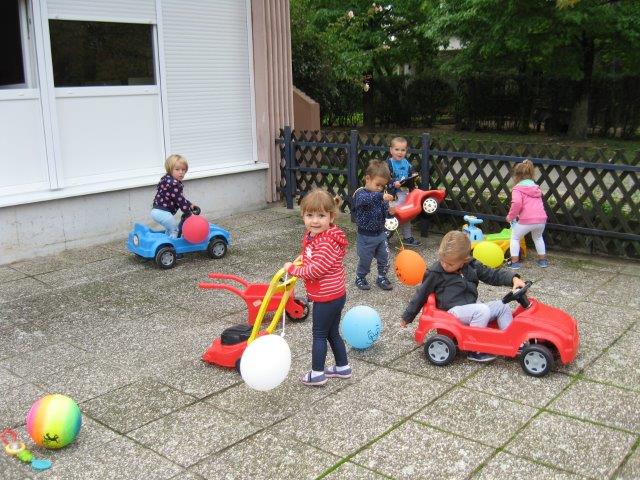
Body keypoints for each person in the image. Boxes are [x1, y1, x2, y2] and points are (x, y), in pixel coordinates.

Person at [400, 230, 526, 362]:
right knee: (482, 310)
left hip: (472, 307)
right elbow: (421, 294)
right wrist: (407, 317)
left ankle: (512, 343)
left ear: (464, 260)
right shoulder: (435, 272)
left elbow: (492, 274)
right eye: (442, 260)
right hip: (452, 312)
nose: (445, 265)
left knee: (502, 306)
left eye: (450, 264)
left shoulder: (471, 265)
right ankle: (475, 349)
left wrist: (513, 278)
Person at [284, 189, 351, 386]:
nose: (315, 221)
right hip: (335, 294)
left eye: (321, 215)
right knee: (332, 332)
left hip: (326, 297)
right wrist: (302, 259)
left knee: (319, 335)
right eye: (310, 215)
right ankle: (342, 367)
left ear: (331, 217)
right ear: (303, 215)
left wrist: (294, 270)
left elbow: (316, 270)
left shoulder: (326, 241)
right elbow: (311, 256)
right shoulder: (316, 235)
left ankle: (317, 374)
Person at [352, 160, 395, 291]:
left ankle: (381, 276)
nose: (380, 188)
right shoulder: (361, 194)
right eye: (378, 184)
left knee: (385, 257)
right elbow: (364, 200)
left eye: (383, 186)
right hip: (365, 236)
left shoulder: (380, 196)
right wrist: (381, 196)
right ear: (367, 179)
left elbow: (384, 211)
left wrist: (390, 212)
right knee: (365, 259)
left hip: (380, 233)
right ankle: (360, 276)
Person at [506, 159, 549, 269]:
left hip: (526, 220)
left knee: (515, 237)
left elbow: (517, 203)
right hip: (541, 220)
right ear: (531, 174)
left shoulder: (517, 189)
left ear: (516, 176)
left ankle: (514, 262)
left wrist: (510, 217)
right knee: (538, 238)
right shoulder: (536, 188)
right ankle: (543, 261)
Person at [151, 154, 198, 238]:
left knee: (169, 229)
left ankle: (166, 240)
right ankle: (173, 243)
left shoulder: (166, 179)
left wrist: (190, 204)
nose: (181, 172)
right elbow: (180, 201)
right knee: (174, 230)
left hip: (156, 211)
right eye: (177, 169)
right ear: (170, 169)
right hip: (163, 212)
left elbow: (179, 198)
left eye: (183, 170)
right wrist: (188, 213)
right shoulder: (174, 184)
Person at [386, 136, 421, 247]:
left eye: (403, 150)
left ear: (406, 151)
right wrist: (393, 182)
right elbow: (384, 178)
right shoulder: (388, 164)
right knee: (392, 216)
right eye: (397, 149)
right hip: (393, 196)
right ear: (391, 150)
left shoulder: (406, 163)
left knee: (406, 215)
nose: (400, 152)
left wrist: (414, 175)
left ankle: (407, 237)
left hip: (405, 194)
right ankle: (386, 236)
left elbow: (411, 171)